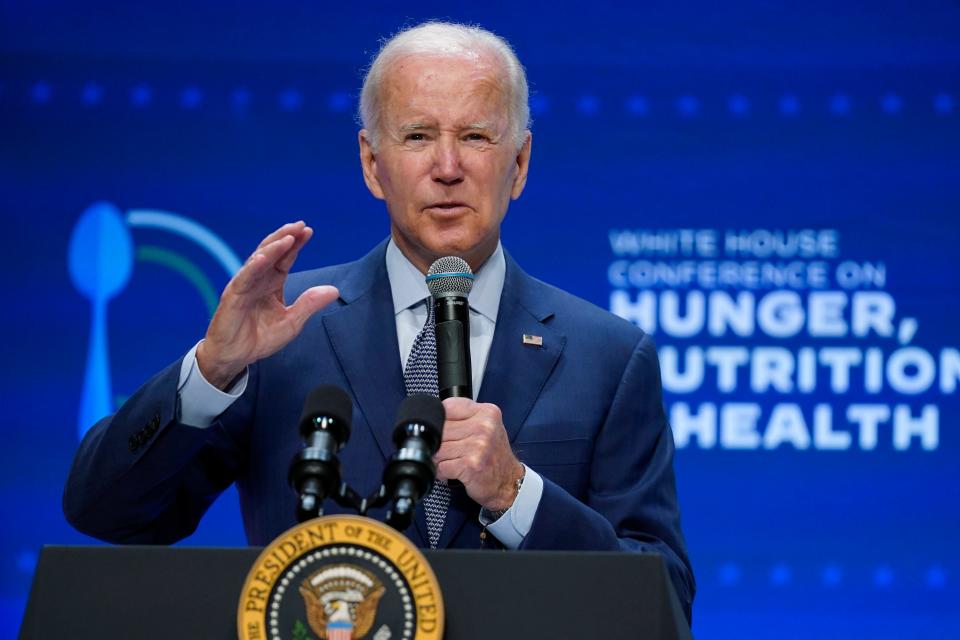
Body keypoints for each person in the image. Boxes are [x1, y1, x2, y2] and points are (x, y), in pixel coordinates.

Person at [64, 21, 695, 620]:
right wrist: (213, 368)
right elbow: (109, 513)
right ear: (372, 164)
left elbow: (661, 599)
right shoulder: (282, 331)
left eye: (475, 136)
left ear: (520, 165)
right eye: (418, 136)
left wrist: (515, 494)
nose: (448, 167)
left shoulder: (608, 356)